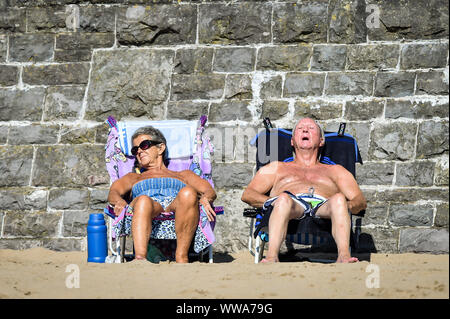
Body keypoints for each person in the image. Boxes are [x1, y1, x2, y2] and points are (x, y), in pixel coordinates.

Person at [241, 117, 367, 263]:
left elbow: (360, 201)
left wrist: (346, 207)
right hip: (290, 206)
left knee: (339, 199)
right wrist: (272, 202)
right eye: (300, 129)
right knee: (283, 200)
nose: (305, 130)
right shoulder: (276, 168)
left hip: (324, 208)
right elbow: (248, 194)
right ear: (292, 141)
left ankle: (344, 256)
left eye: (311, 128)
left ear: (321, 141)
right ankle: (272, 257)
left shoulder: (336, 171)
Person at [107, 126, 217, 263]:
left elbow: (208, 190)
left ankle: (181, 257)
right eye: (135, 149)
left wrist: (206, 198)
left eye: (144, 145)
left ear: (160, 148)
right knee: (143, 200)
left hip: (175, 207)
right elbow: (113, 192)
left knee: (188, 193)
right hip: (147, 206)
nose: (139, 151)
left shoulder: (183, 175)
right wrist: (119, 201)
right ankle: (140, 259)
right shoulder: (134, 177)